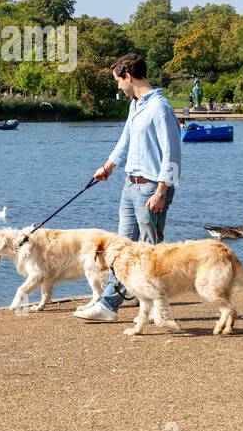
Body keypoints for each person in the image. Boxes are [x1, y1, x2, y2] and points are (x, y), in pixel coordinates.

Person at [74, 53, 182, 322]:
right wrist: (107, 168)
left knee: (151, 253)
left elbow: (172, 154)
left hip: (151, 190)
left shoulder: (160, 107)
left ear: (129, 77)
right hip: (129, 186)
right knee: (120, 251)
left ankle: (155, 307)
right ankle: (113, 303)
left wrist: (161, 192)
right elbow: (125, 142)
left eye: (117, 81)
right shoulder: (135, 105)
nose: (117, 86)